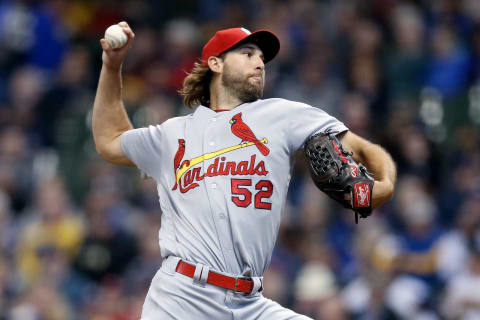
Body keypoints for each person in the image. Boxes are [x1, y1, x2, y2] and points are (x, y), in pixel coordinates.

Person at [92, 22, 396, 320]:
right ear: (216, 63)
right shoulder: (172, 134)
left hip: (249, 301)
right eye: (248, 54)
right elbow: (109, 140)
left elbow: (362, 148)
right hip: (181, 298)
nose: (260, 63)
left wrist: (385, 183)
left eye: (262, 58)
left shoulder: (282, 115)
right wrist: (111, 66)